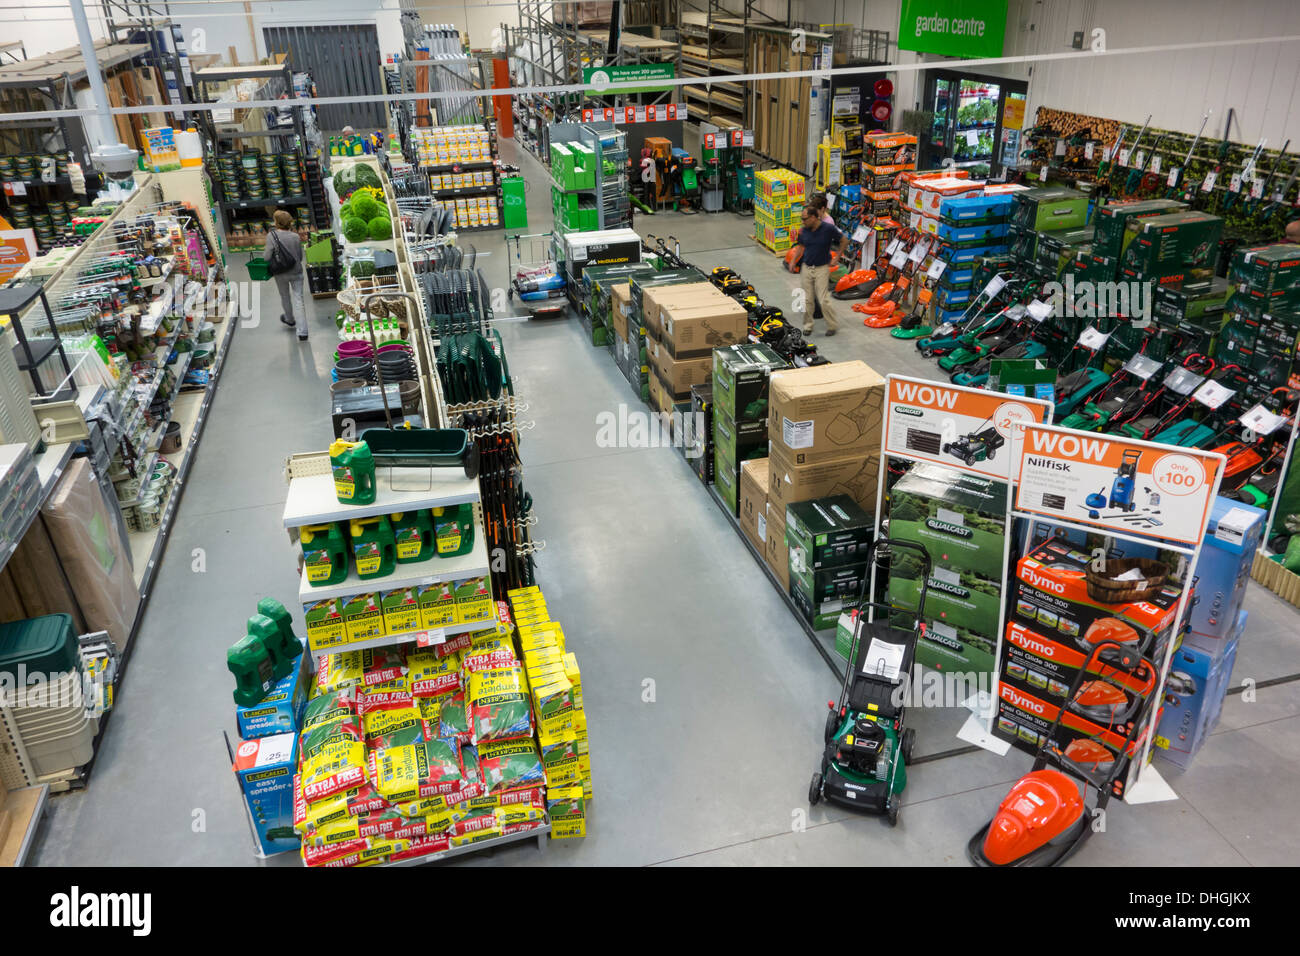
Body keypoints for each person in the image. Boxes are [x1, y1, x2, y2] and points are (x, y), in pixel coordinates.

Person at [796, 204, 848, 336]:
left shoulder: (828, 229)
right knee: (807, 299)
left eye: (805, 218)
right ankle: (808, 326)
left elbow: (844, 241)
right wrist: (792, 261)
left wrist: (837, 257)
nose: (803, 221)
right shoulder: (804, 231)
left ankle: (832, 325)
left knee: (823, 299)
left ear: (813, 217)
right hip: (806, 267)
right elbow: (800, 246)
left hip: (822, 268)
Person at [265, 209, 307, 341]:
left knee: (284, 296)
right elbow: (299, 257)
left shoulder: (272, 236)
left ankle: (289, 319)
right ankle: (303, 332)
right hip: (296, 272)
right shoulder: (295, 236)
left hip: (280, 273)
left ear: (276, 222)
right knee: (298, 300)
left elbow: (266, 257)